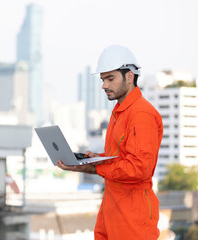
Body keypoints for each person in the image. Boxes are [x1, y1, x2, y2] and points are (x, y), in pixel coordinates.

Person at [56, 45, 163, 240]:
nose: (104, 85)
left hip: (133, 217)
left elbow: (140, 168)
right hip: (112, 207)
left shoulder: (142, 114)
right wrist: (97, 159)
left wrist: (95, 169)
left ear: (130, 76)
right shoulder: (119, 112)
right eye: (103, 79)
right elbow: (121, 158)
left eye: (110, 78)